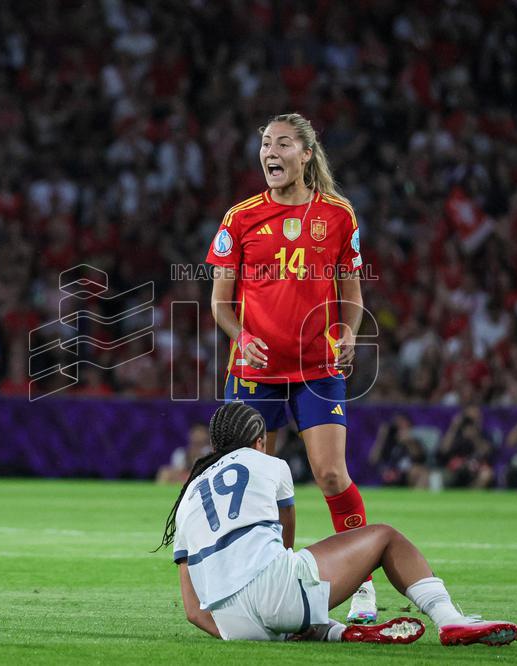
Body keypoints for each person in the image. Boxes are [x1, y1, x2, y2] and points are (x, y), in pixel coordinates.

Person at [159, 402, 517, 646]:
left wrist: (245, 629)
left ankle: (334, 633)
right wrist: (284, 605)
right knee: (385, 536)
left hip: (231, 623)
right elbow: (285, 544)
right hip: (277, 593)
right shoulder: (270, 464)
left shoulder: (187, 495)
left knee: (285, 599)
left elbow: (193, 611)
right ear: (259, 441)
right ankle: (451, 619)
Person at [206, 113, 376, 623]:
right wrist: (241, 337)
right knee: (263, 482)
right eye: (265, 144)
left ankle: (362, 583)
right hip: (255, 372)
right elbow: (219, 303)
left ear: (306, 154)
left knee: (330, 474)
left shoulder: (338, 215)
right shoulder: (240, 218)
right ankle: (275, 583)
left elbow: (351, 294)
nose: (270, 152)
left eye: (282, 144)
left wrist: (349, 332)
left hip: (317, 368)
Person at [438, 406, 495, 489]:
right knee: (438, 476)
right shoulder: (454, 434)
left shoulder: (485, 434)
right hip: (454, 469)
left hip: (476, 467)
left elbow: (486, 452)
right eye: (470, 418)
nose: (472, 422)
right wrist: (453, 427)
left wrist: (475, 437)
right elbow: (443, 450)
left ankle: (472, 496)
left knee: (486, 474)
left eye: (476, 418)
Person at [368, 414, 429, 489]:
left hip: (407, 474)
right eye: (398, 425)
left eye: (404, 424)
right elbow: (373, 460)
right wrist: (381, 436)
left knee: (422, 472)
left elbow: (419, 458)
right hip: (390, 472)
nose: (401, 428)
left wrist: (409, 442)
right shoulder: (389, 442)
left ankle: (415, 495)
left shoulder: (415, 441)